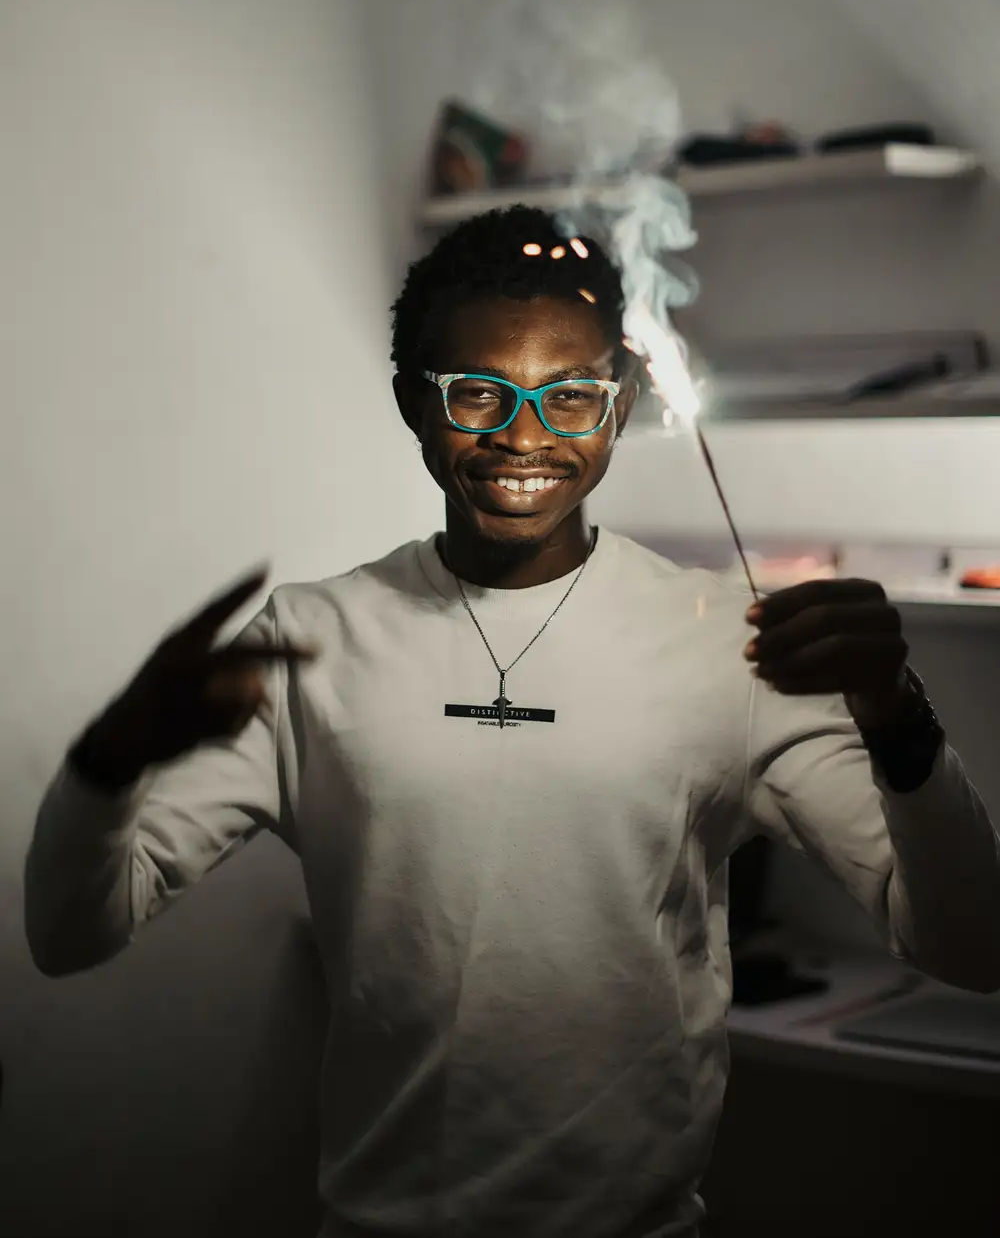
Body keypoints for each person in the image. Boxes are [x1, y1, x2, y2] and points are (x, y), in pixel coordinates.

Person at [25, 206, 1000, 1238]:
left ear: (618, 405)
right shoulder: (310, 640)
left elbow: (973, 948)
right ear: (413, 402)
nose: (523, 434)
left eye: (569, 395)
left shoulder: (728, 644)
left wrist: (895, 711)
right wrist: (107, 759)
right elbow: (70, 932)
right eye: (479, 392)